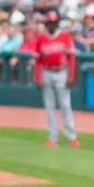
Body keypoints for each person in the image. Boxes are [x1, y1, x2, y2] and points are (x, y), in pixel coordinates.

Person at [33, 10, 79, 147]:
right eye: (49, 22)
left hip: (61, 72)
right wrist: (38, 78)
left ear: (57, 23)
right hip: (46, 72)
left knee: (65, 105)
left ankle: (71, 137)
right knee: (49, 107)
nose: (52, 25)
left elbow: (71, 57)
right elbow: (37, 61)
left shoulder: (65, 36)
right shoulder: (41, 38)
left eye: (54, 22)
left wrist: (71, 76)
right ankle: (52, 138)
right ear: (46, 24)